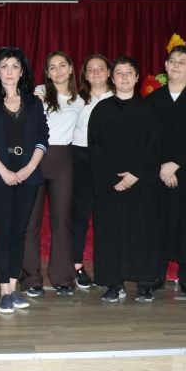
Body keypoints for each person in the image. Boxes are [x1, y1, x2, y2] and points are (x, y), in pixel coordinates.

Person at [0, 46, 49, 314]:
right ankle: (4, 292)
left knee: (20, 232)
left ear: (22, 72)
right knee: (4, 232)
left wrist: (29, 168)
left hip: (29, 175)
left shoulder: (34, 103)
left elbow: (43, 137)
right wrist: (3, 171)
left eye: (15, 66)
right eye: (4, 66)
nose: (9, 71)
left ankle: (15, 288)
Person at [89, 55, 161, 303]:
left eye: (129, 72)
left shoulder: (149, 110)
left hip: (142, 184)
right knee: (110, 234)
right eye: (119, 73)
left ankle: (145, 283)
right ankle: (114, 283)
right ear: (112, 77)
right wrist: (114, 179)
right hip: (110, 185)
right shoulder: (101, 110)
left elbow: (154, 146)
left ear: (137, 77)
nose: (124, 77)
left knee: (142, 233)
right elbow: (95, 148)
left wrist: (136, 174)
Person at [146, 45, 186, 299]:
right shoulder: (152, 101)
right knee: (157, 223)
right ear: (165, 65)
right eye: (172, 61)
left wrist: (177, 164)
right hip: (158, 174)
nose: (176, 66)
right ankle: (156, 274)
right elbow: (148, 140)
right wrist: (163, 167)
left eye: (182, 62)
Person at [21, 51, 84, 297]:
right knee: (30, 223)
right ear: (47, 73)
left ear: (71, 69)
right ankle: (31, 279)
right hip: (35, 160)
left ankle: (62, 278)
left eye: (62, 65)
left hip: (64, 162)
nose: (58, 71)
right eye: (52, 67)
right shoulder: (38, 93)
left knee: (62, 222)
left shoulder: (81, 100)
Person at [70, 54, 114, 289]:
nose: (96, 72)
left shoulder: (118, 98)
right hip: (80, 159)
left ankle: (107, 269)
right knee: (80, 216)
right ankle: (77, 265)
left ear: (109, 72)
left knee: (106, 218)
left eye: (100, 68)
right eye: (91, 69)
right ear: (85, 75)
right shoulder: (76, 99)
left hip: (108, 162)